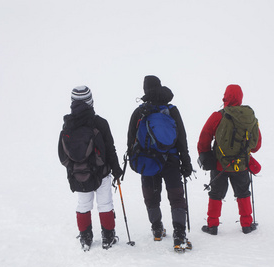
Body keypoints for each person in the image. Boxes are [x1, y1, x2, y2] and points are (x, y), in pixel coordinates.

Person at [127, 75, 193, 252]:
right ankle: (179, 234)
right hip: (171, 160)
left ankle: (157, 229)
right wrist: (186, 162)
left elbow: (130, 139)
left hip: (147, 160)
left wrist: (134, 157)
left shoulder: (139, 112)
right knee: (176, 196)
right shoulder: (171, 110)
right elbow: (182, 138)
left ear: (145, 90)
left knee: (151, 196)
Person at [58, 86, 123, 251]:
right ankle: (108, 237)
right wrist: (116, 170)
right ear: (91, 102)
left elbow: (62, 155)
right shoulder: (100, 123)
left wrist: (74, 168)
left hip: (79, 174)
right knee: (105, 203)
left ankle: (86, 239)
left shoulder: (67, 125)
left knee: (83, 204)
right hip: (102, 173)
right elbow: (110, 149)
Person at [197, 84, 262, 235]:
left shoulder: (218, 116)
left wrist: (205, 155)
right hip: (241, 165)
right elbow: (256, 146)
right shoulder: (250, 118)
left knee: (216, 194)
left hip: (220, 164)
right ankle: (247, 224)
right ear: (240, 97)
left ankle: (212, 226)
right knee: (243, 193)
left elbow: (204, 137)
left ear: (226, 97)